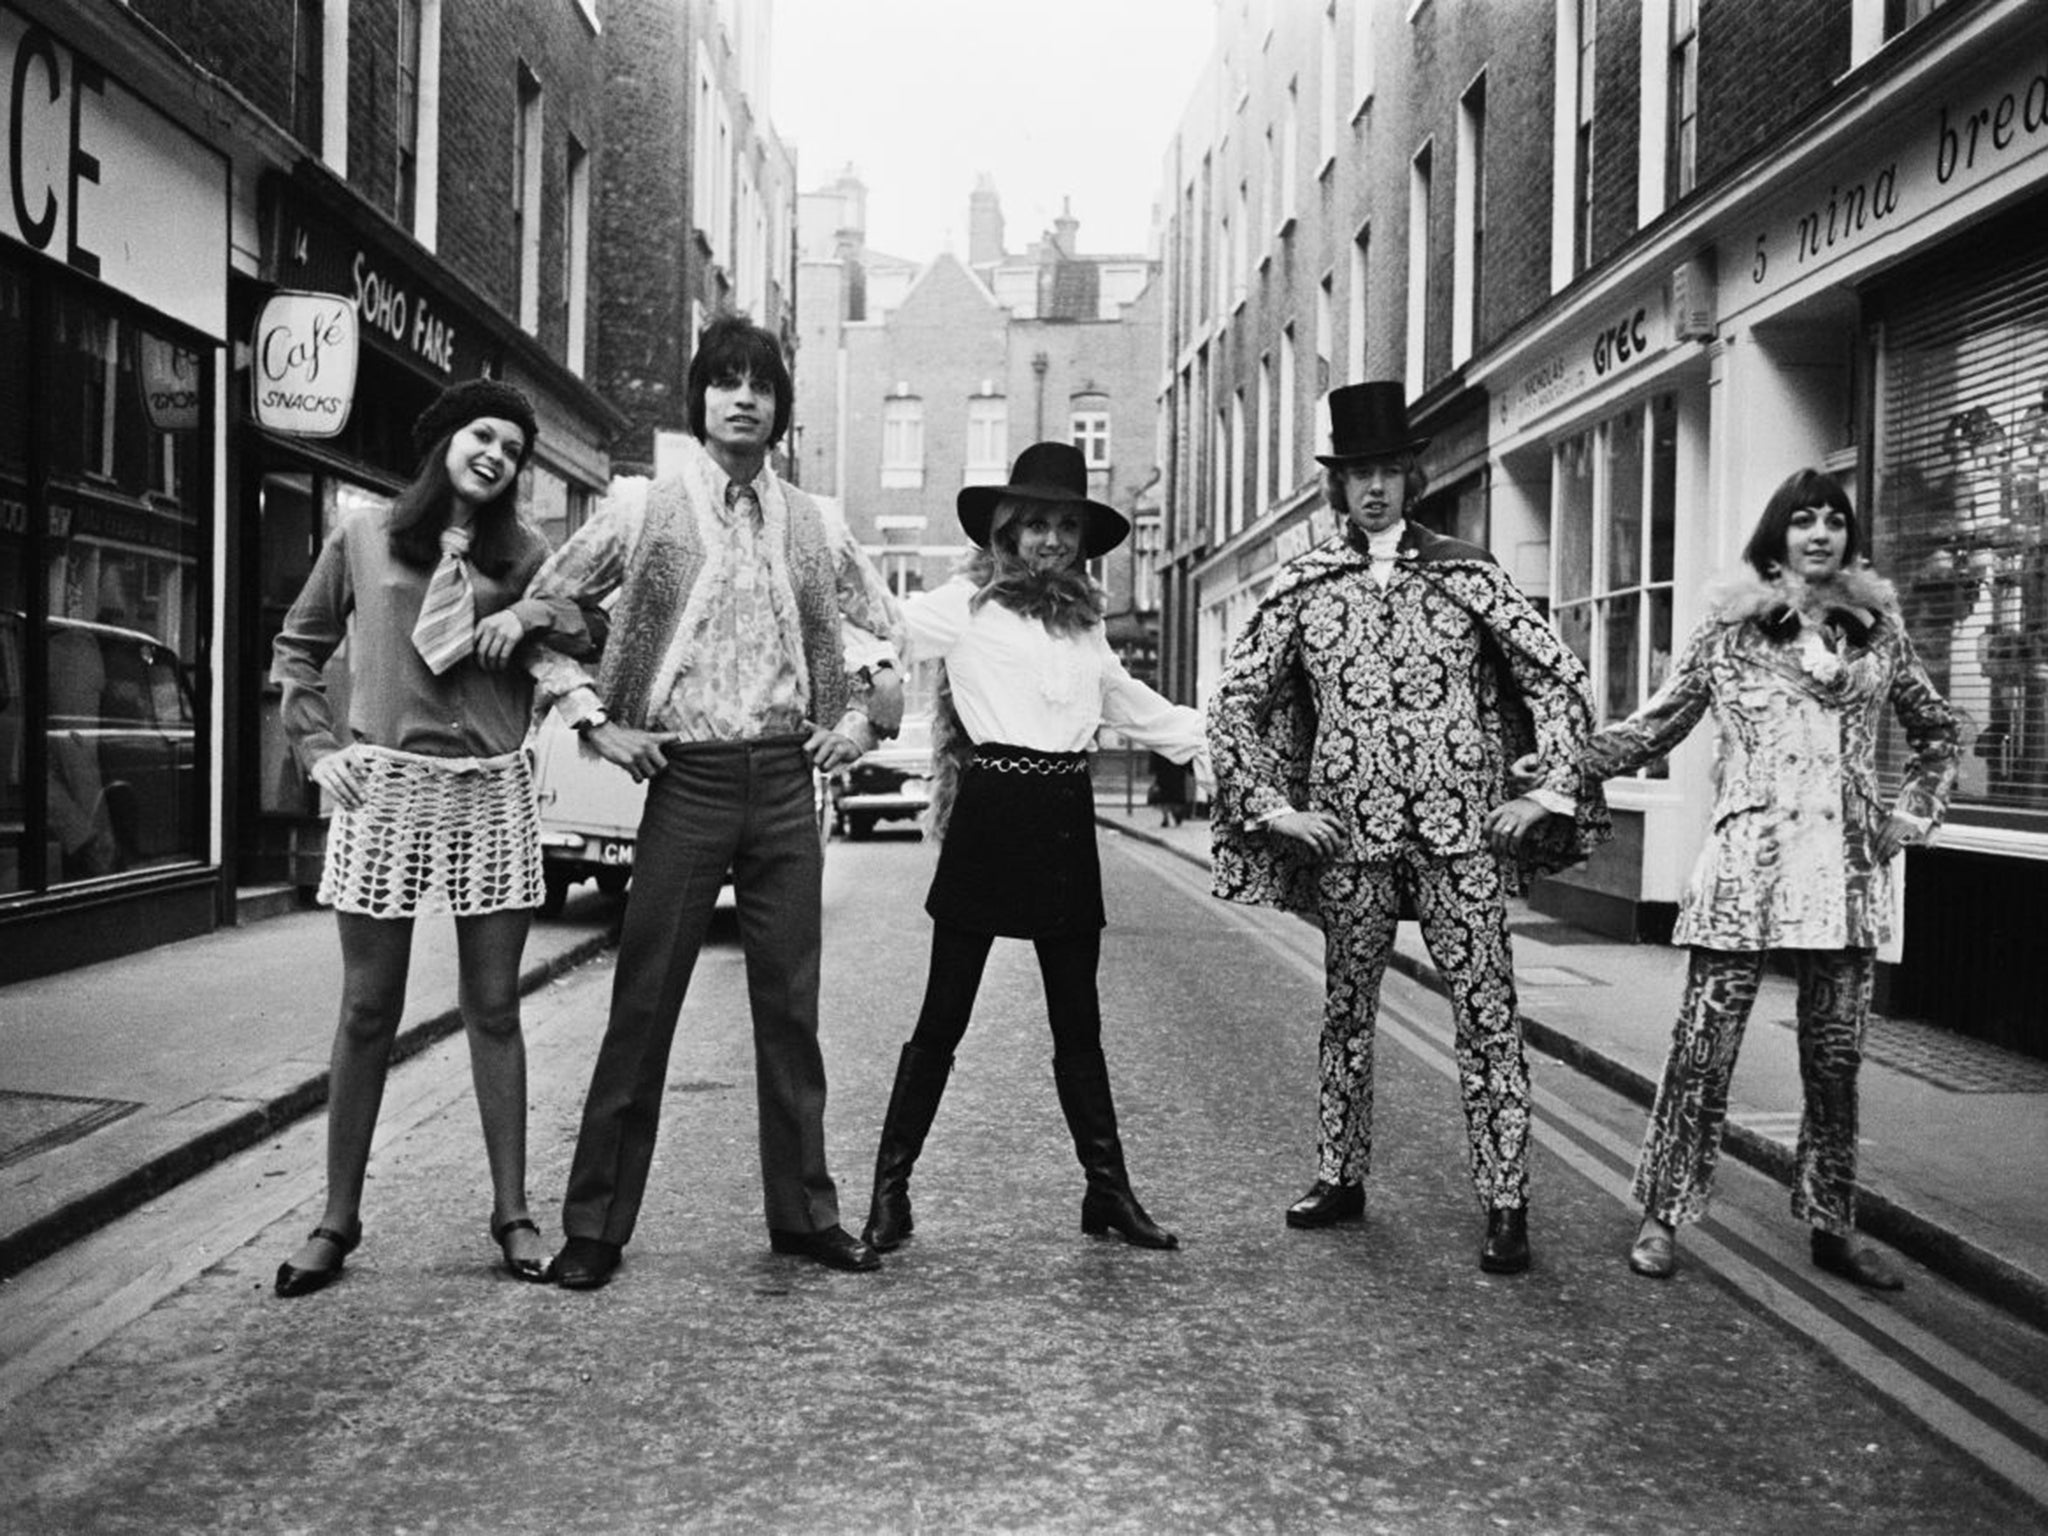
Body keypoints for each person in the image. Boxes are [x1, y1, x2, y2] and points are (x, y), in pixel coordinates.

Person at [522, 315, 903, 1288]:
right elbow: (541, 613)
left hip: (783, 778)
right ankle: (595, 1227)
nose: (742, 397)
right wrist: (593, 721)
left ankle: (804, 1214)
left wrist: (861, 723)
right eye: (724, 381)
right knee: (642, 1003)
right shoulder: (643, 507)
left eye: (759, 385)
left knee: (790, 1009)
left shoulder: (815, 521)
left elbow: (888, 633)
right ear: (698, 400)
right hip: (684, 779)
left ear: (778, 408)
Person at [1207, 381, 1608, 1275]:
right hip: (1349, 837)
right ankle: (1339, 1175)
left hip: (1462, 835)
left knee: (1488, 1014)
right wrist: (1277, 809)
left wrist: (1542, 792)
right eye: (1357, 474)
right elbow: (1235, 702)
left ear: (1411, 476)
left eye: (1388, 470)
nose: (1375, 488)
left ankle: (1506, 1201)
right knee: (1346, 1010)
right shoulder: (1305, 582)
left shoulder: (1468, 571)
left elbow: (1558, 678)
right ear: (1337, 487)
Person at [1574, 468, 1958, 1289]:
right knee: (1703, 1052)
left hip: (1845, 877)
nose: (1819, 534)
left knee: (1834, 1058)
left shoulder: (1879, 633)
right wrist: (1560, 767)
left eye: (1833, 521)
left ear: (1849, 538)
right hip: (1747, 870)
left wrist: (1913, 812)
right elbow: (1655, 727)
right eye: (1802, 521)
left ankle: (1832, 1223)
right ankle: (1662, 1216)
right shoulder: (1730, 632)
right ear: (1775, 535)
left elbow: (1940, 733)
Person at [271, 377, 588, 1296]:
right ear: (446, 438)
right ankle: (336, 1221)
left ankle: (514, 1216)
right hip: (389, 792)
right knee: (369, 1009)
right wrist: (318, 748)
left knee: (495, 1008)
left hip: (491, 796)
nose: (495, 455)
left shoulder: (529, 555)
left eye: (513, 451)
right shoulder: (366, 535)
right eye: (482, 436)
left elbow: (587, 628)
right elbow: (300, 643)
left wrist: (530, 612)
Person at [860, 442, 1205, 1255]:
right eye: (1037, 524)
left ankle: (1108, 1191)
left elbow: (1130, 703)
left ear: (1082, 538)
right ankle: (889, 1191)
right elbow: (885, 624)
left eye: (1066, 525)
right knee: (943, 1013)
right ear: (1007, 533)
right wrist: (872, 673)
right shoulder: (967, 603)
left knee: (1076, 1019)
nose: (1052, 539)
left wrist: (1217, 741)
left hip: (1061, 815)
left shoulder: (1084, 626)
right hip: (991, 811)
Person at [1148, 749, 1191, 827]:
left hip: (1164, 771)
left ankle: (1167, 817)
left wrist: (1153, 772)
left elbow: (1153, 759)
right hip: (1176, 771)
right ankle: (1172, 816)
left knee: (1164, 797)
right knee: (1174, 797)